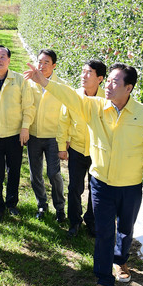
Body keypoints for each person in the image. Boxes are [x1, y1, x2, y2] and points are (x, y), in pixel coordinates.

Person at [23, 62, 143, 286]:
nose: (109, 86)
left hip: (130, 185)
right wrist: (43, 81)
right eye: (109, 81)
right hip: (102, 183)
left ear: (128, 88)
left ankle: (120, 260)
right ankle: (104, 281)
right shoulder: (95, 107)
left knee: (125, 228)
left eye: (115, 82)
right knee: (104, 232)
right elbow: (69, 96)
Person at [0, 45, 35, 222]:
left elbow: (28, 106)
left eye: (3, 57)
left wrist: (25, 127)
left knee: (14, 171)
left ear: (9, 60)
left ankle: (11, 204)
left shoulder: (20, 80)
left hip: (14, 134)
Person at [57, 59, 106, 238]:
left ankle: (91, 221)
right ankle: (74, 221)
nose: (83, 76)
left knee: (96, 188)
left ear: (100, 78)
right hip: (77, 149)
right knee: (75, 188)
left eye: (89, 73)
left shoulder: (107, 99)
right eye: (83, 71)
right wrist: (62, 146)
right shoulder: (74, 96)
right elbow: (63, 121)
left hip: (98, 151)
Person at [26, 49, 67, 221]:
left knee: (53, 173)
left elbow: (67, 114)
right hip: (34, 135)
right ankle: (41, 204)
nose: (41, 66)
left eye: (46, 63)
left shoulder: (61, 86)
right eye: (39, 62)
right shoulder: (30, 83)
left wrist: (66, 139)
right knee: (35, 174)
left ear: (54, 66)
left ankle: (59, 207)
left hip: (53, 137)